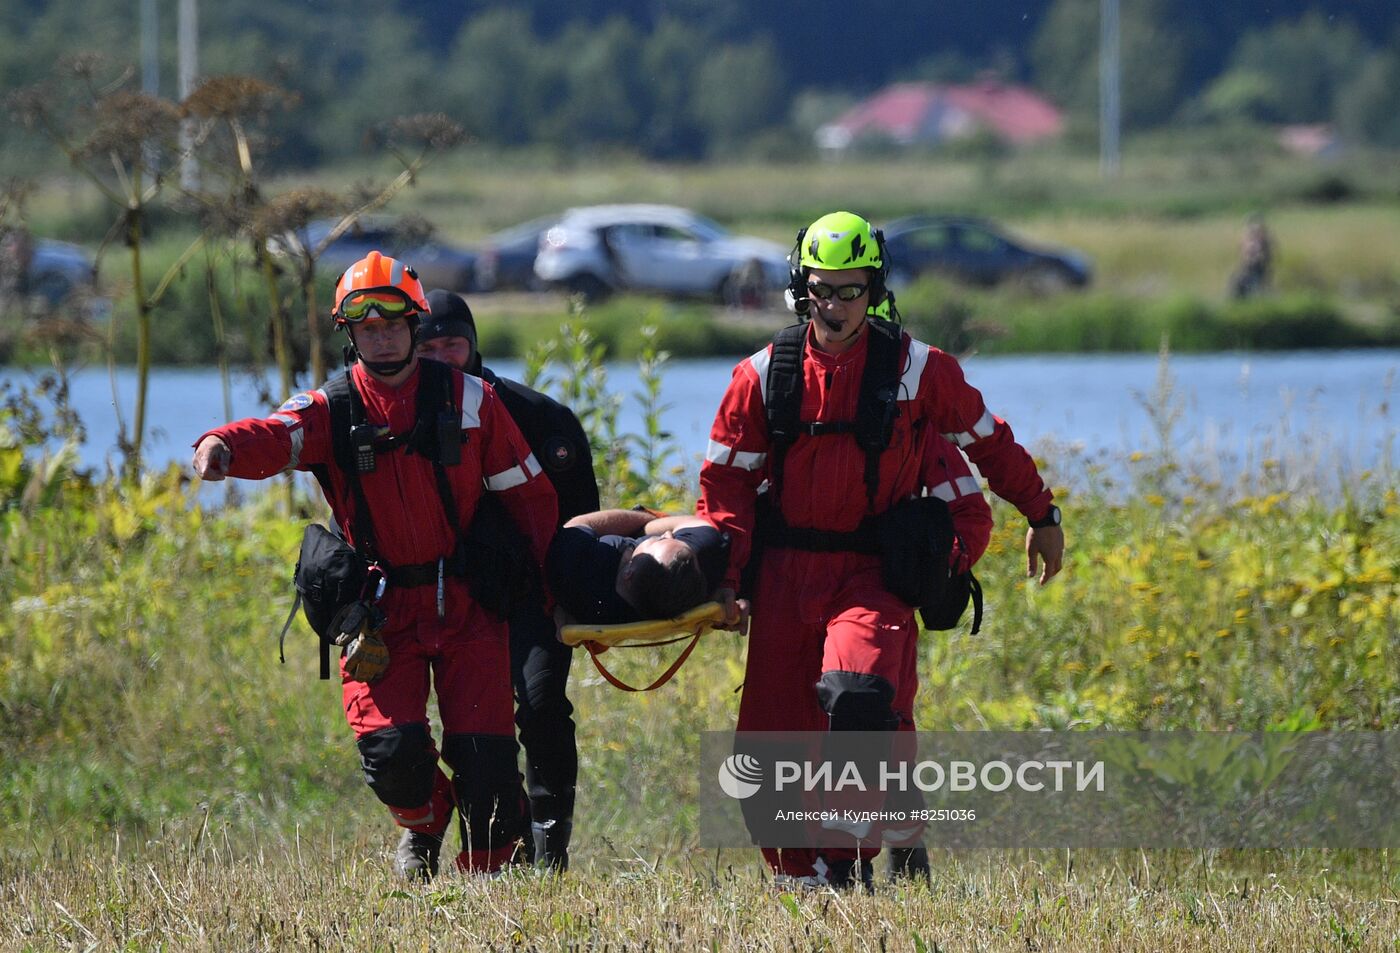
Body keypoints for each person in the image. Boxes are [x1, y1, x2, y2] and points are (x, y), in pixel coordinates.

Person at [698, 211, 1063, 889]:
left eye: (849, 290)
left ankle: (846, 862)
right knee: (770, 739)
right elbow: (725, 486)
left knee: (859, 699)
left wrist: (1042, 512)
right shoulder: (758, 377)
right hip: (782, 574)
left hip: (871, 576)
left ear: (874, 288)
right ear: (798, 287)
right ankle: (795, 873)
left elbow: (990, 442)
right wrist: (725, 580)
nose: (833, 306)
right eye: (821, 291)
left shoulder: (919, 370)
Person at [191, 251, 558, 879]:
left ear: (413, 325)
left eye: (393, 323)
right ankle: (425, 826)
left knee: (488, 761)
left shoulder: (474, 401)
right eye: (367, 326)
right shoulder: (329, 408)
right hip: (379, 611)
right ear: (350, 333)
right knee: (392, 752)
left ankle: (490, 891)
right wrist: (221, 445)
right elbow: (275, 434)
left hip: (470, 602)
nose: (382, 335)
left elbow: (532, 503)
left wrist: (539, 595)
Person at [415, 288, 599, 871]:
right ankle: (456, 830)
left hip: (534, 593)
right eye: (431, 348)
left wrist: (578, 604)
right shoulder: (397, 426)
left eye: (455, 344)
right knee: (455, 722)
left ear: (474, 345)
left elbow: (580, 527)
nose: (444, 358)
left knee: (543, 704)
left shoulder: (541, 419)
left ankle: (549, 846)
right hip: (452, 598)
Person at [546, 508, 730, 627]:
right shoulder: (701, 561)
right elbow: (689, 524)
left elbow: (580, 522)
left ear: (628, 572)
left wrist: (642, 520)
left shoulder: (575, 568)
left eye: (660, 540)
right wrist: (648, 526)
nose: (667, 534)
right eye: (673, 539)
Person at [1230, 215, 1273, 299]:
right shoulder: (1248, 240)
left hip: (1258, 267)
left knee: (1257, 286)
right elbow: (1243, 252)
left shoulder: (1264, 241)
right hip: (1248, 266)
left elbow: (1266, 256)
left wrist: (1258, 258)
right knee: (1240, 282)